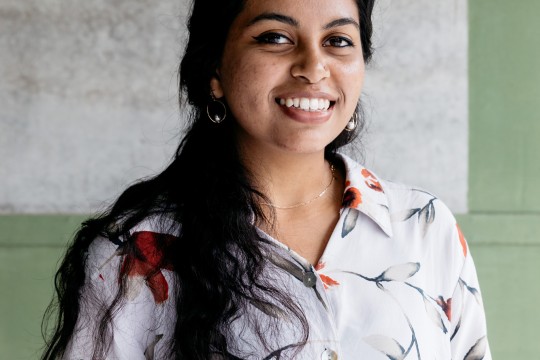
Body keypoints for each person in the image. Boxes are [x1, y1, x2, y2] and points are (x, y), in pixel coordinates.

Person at [40, 0, 492, 359]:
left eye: (338, 40)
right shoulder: (135, 251)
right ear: (215, 70)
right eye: (275, 37)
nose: (313, 67)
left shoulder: (425, 226)